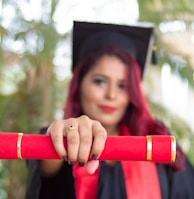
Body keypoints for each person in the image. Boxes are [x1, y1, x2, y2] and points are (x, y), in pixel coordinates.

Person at [25, 21, 194, 199]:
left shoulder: (157, 140)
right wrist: (63, 138)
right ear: (79, 85)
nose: (111, 95)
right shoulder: (63, 140)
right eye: (100, 81)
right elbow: (45, 171)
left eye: (123, 85)